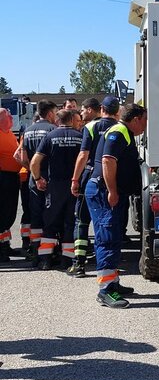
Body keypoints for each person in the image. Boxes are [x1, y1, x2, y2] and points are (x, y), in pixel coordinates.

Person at [86, 103, 147, 308]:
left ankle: (113, 282)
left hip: (110, 193)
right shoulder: (119, 131)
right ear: (136, 119)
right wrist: (112, 190)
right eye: (145, 120)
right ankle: (105, 291)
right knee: (107, 239)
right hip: (104, 192)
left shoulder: (125, 133)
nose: (146, 125)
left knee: (113, 238)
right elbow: (108, 161)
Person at [69, 96, 120, 277]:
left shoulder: (90, 127)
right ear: (117, 111)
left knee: (82, 221)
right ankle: (110, 263)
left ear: (100, 109)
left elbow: (83, 155)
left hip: (91, 177)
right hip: (113, 180)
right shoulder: (119, 127)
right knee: (109, 222)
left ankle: (79, 264)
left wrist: (75, 179)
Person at [30, 109, 82, 270]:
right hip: (75, 186)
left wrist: (38, 179)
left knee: (50, 222)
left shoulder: (50, 137)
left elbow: (34, 162)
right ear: (72, 120)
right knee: (70, 222)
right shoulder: (80, 137)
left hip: (55, 187)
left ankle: (45, 259)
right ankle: (67, 259)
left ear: (57, 121)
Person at [19, 100, 58, 263]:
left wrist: (34, 174)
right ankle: (48, 254)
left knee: (35, 215)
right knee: (49, 215)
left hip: (33, 180)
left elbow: (22, 158)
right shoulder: (52, 130)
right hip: (49, 178)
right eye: (55, 113)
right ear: (49, 113)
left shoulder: (27, 131)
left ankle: (35, 251)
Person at [0, 108, 21, 262]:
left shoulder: (9, 134)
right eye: (9, 116)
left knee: (9, 214)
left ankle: (5, 245)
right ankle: (1, 250)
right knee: (2, 214)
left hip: (12, 178)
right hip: (2, 178)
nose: (12, 119)